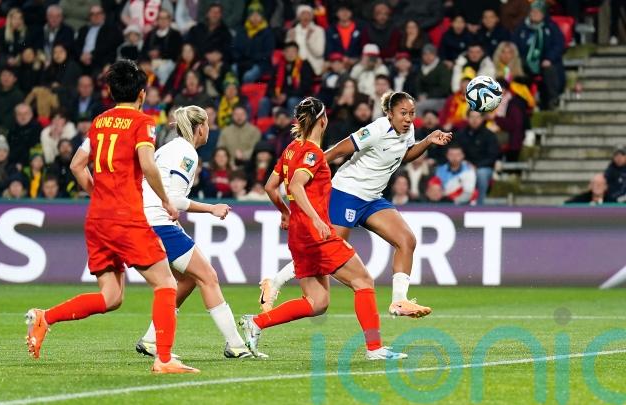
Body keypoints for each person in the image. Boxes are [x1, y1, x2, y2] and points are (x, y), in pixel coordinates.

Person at [24, 60, 198, 374]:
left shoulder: (99, 122)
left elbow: (77, 165)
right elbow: (148, 164)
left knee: (111, 297)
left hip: (97, 219)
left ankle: (44, 317)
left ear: (111, 91)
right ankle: (164, 359)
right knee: (166, 283)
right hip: (126, 217)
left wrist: (100, 195)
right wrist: (165, 200)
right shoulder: (143, 122)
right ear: (142, 94)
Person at [240, 97, 408, 360]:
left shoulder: (291, 149)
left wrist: (285, 212)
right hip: (316, 234)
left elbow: (271, 187)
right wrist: (316, 219)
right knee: (363, 281)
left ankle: (256, 323)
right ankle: (375, 348)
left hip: (298, 235)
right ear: (323, 120)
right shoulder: (313, 153)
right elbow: (295, 185)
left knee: (317, 302)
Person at [259, 91, 452, 318]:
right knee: (327, 253)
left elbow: (404, 155)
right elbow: (340, 149)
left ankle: (399, 301)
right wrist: (309, 166)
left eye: (412, 113)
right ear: (389, 113)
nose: (408, 118)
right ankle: (275, 282)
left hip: (373, 198)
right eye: (403, 113)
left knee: (406, 240)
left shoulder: (408, 131)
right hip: (346, 193)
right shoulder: (376, 129)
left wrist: (427, 141)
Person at [135, 105, 257, 359]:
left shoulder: (168, 148)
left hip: (147, 220)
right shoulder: (187, 153)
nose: (209, 129)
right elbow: (175, 200)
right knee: (208, 277)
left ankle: (150, 339)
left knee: (188, 279)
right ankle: (235, 345)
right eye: (208, 124)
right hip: (159, 223)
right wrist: (212, 208)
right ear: (200, 128)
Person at [512, 0, 565, 110]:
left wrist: (549, 58)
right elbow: (514, 45)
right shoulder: (522, 28)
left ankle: (552, 100)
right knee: (517, 68)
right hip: (525, 61)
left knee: (550, 69)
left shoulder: (551, 27)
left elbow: (558, 45)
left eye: (538, 12)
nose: (534, 14)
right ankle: (520, 102)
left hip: (544, 61)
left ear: (543, 14)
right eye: (533, 12)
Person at [455, 110, 500, 205]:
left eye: (478, 117)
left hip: (483, 167)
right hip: (463, 165)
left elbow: (492, 157)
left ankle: (480, 205)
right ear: (467, 118)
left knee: (481, 174)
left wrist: (477, 166)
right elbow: (454, 151)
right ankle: (455, 204)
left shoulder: (489, 135)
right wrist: (465, 163)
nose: (475, 120)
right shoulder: (460, 134)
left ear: (482, 118)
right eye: (472, 117)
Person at [286, 4, 325, 76]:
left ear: (312, 17)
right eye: (303, 14)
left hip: (313, 67)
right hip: (296, 67)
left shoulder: (318, 31)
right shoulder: (292, 31)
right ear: (298, 17)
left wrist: (309, 41)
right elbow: (288, 55)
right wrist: (292, 40)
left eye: (308, 14)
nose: (305, 17)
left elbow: (319, 53)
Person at [414, 44, 452, 115]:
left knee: (417, 107)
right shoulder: (421, 68)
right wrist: (419, 95)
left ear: (435, 55)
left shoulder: (442, 68)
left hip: (440, 99)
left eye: (431, 54)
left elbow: (444, 89)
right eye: (425, 54)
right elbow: (417, 85)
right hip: (423, 98)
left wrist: (427, 96)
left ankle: (419, 122)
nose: (428, 57)